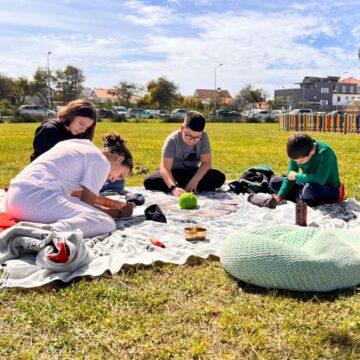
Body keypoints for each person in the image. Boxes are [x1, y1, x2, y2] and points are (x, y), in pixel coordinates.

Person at [5, 133, 135, 238]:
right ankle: (45, 233)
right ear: (119, 159)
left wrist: (109, 202)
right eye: (121, 175)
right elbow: (87, 205)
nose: (114, 180)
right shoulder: (101, 162)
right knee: (105, 222)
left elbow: (75, 194)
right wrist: (119, 213)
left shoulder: (79, 145)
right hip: (32, 199)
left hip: (13, 197)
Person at [143, 111, 225, 196]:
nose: (192, 140)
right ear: (182, 128)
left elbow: (206, 163)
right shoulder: (172, 140)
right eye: (188, 136)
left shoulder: (204, 136)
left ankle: (186, 186)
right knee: (149, 181)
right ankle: (178, 186)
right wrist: (173, 188)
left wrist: (195, 180)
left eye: (197, 137)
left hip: (191, 173)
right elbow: (165, 168)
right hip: (173, 172)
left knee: (219, 177)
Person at [270, 132, 341, 206]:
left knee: (310, 189)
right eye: (295, 161)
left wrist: (296, 176)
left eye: (301, 161)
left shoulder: (325, 152)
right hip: (306, 184)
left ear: (312, 151)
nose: (298, 163)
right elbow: (290, 177)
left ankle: (300, 197)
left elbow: (320, 179)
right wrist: (280, 195)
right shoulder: (297, 152)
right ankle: (302, 197)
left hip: (326, 188)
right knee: (274, 182)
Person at [30, 99, 97, 162]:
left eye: (87, 127)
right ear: (71, 114)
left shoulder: (81, 135)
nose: (83, 130)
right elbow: (43, 162)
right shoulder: (49, 130)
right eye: (81, 123)